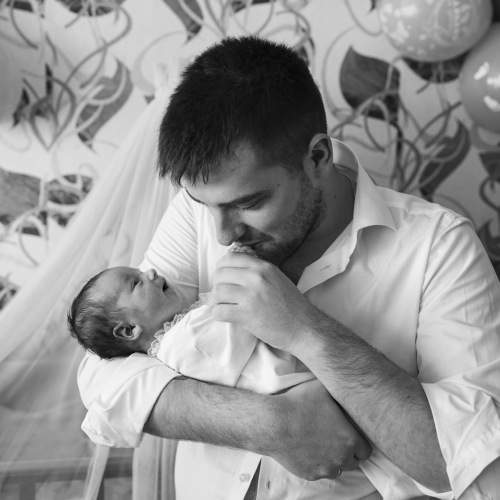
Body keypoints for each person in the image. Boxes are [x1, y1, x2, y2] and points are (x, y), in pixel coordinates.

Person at [77, 36, 500, 499]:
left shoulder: (440, 247)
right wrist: (271, 425)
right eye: (204, 204)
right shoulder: (203, 209)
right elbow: (103, 372)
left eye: (250, 203)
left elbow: (471, 467)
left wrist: (305, 332)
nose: (222, 235)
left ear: (317, 157)